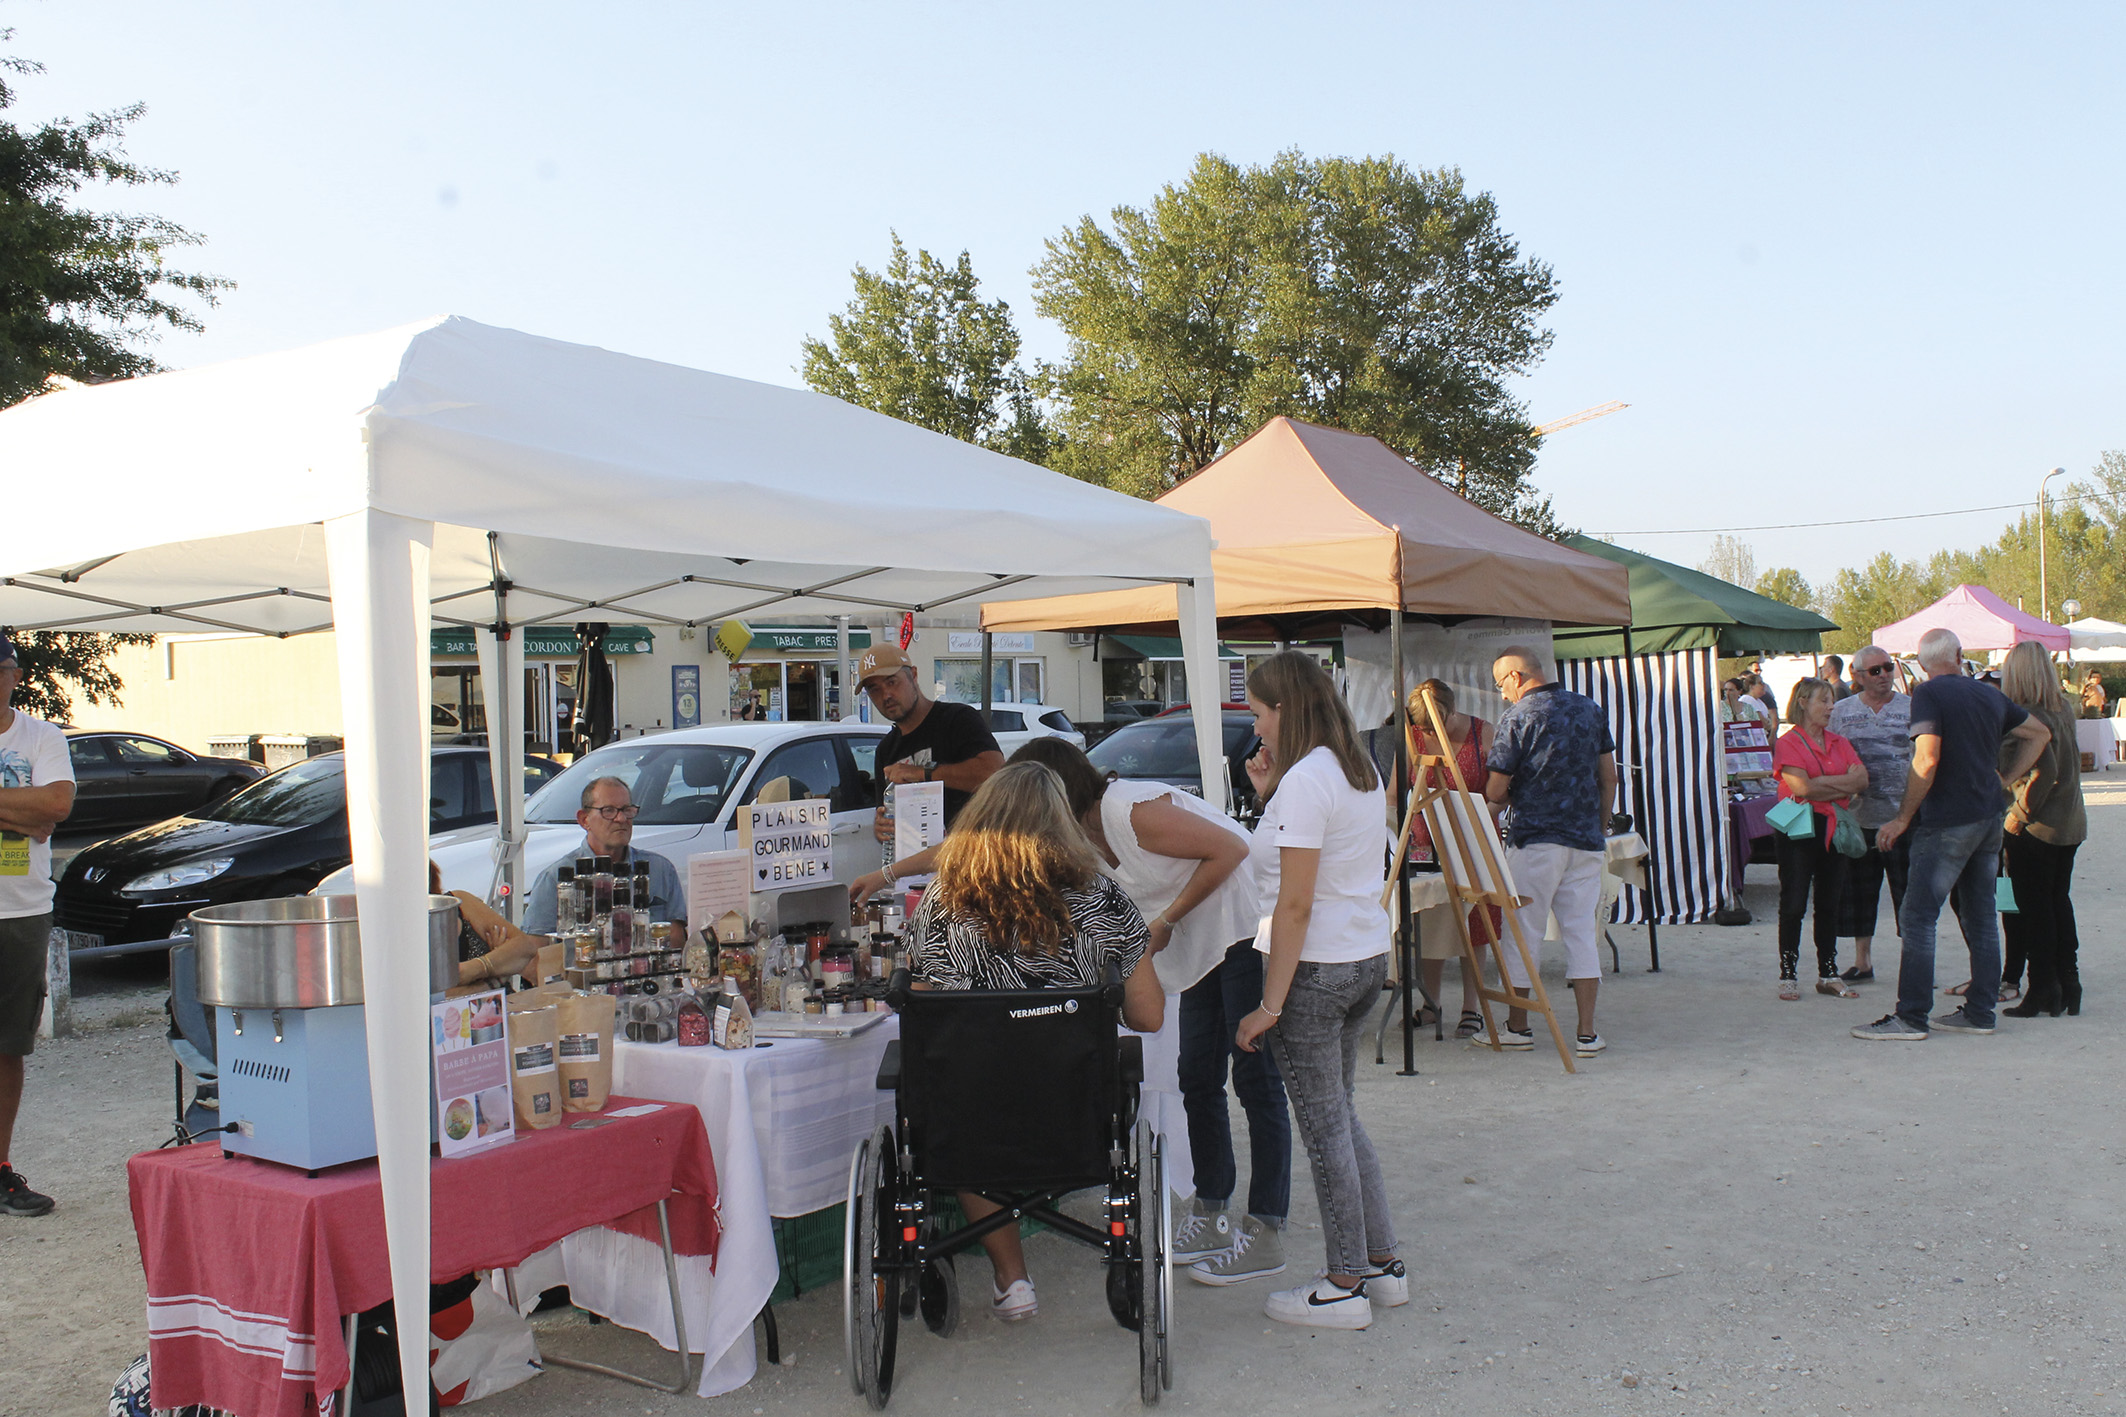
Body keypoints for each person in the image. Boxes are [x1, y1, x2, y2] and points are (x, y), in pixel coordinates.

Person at [1005, 737, 1285, 1287]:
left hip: (1242, 927)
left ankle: (1268, 1228)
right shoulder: (1075, 840)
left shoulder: (1128, 810)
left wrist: (1168, 920)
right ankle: (1213, 1211)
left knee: (1253, 1075)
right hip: (1198, 944)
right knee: (1196, 1078)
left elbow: (1233, 849)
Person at [905, 761, 1164, 1322]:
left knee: (958, 1099)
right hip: (1072, 1108)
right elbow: (1149, 1015)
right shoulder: (1104, 902)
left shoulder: (941, 903)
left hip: (970, 1115)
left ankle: (1012, 1276)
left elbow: (924, 1004)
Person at [1235, 651, 1403, 1331]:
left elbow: (1296, 903)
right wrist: (1268, 795)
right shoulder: (1355, 767)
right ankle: (1381, 1262)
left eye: (1258, 712)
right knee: (1343, 1117)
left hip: (1317, 968)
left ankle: (1343, 1283)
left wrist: (1269, 1004)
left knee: (1326, 1126)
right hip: (1363, 953)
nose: (1255, 728)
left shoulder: (1308, 779)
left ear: (1286, 709)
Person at [1852, 628, 2050, 1041]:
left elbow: (1926, 757)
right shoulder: (1988, 693)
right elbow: (2039, 733)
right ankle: (1981, 1011)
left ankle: (1911, 1016)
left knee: (1919, 916)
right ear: (1959, 655)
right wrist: (2006, 779)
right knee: (1980, 917)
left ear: (1921, 663)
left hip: (1947, 821)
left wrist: (1903, 817)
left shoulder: (1929, 694)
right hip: (1987, 818)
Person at [1480, 647, 1619, 1056]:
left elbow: (1495, 789)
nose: (1502, 694)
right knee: (1581, 935)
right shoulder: (1589, 709)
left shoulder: (1519, 716)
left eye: (1501, 684)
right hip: (1584, 840)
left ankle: (1519, 1027)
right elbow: (1608, 776)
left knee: (1523, 933)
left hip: (1536, 839)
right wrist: (1600, 823)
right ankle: (1587, 1033)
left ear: (1517, 677)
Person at [0, 637, 72, 1218]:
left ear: (14, 675)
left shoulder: (42, 737)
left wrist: (39, 811)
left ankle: (0, 1172)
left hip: (20, 911)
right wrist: (20, 810)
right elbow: (36, 811)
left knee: (7, 1048)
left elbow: (56, 807)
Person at [1997, 642, 2086, 1018]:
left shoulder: (2029, 717)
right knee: (2057, 902)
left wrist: (2017, 814)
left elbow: (2044, 773)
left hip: (2037, 827)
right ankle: (2069, 982)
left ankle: (2042, 988)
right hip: (2069, 823)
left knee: (2035, 911)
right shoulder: (2062, 707)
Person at [1404, 680, 1494, 1038]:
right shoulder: (1412, 736)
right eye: (1423, 727)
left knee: (1476, 926)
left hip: (1474, 841)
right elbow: (1398, 791)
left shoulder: (1481, 731)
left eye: (1432, 725)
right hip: (1428, 842)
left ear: (1451, 713)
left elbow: (1497, 788)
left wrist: (1479, 813)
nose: (1426, 732)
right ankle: (1431, 1002)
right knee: (1431, 922)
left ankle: (1472, 1006)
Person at [1769, 679, 1867, 1000]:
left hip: (1832, 826)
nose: (1830, 707)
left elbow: (1862, 780)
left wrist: (1821, 782)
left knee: (1829, 902)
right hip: (1799, 828)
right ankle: (1788, 974)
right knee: (1794, 902)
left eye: (1831, 701)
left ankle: (1828, 972)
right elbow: (1801, 788)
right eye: (1823, 701)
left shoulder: (1839, 741)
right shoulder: (1788, 742)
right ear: (1802, 702)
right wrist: (1842, 784)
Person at [856, 646, 1004, 840]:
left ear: (914, 675)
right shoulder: (886, 749)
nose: (886, 695)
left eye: (892, 682)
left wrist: (922, 773)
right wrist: (881, 829)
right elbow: (885, 815)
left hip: (974, 858)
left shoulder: (957, 719)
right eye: (874, 690)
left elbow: (997, 775)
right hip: (920, 865)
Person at [1829, 646, 1913, 981]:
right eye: (1875, 671)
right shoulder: (1841, 711)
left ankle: (1913, 961)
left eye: (1888, 668)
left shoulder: (1913, 707)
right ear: (1857, 675)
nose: (1884, 676)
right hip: (1859, 817)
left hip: (1903, 818)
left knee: (1908, 894)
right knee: (1859, 892)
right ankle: (1862, 961)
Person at [521, 776, 686, 934]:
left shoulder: (660, 870)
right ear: (584, 819)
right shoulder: (556, 879)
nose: (621, 819)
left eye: (626, 810)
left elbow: (676, 941)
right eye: (609, 811)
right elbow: (536, 952)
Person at [431, 861, 544, 989]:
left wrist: (478, 967)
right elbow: (436, 999)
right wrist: (496, 977)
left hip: (507, 1004)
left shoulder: (459, 902)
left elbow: (525, 947)